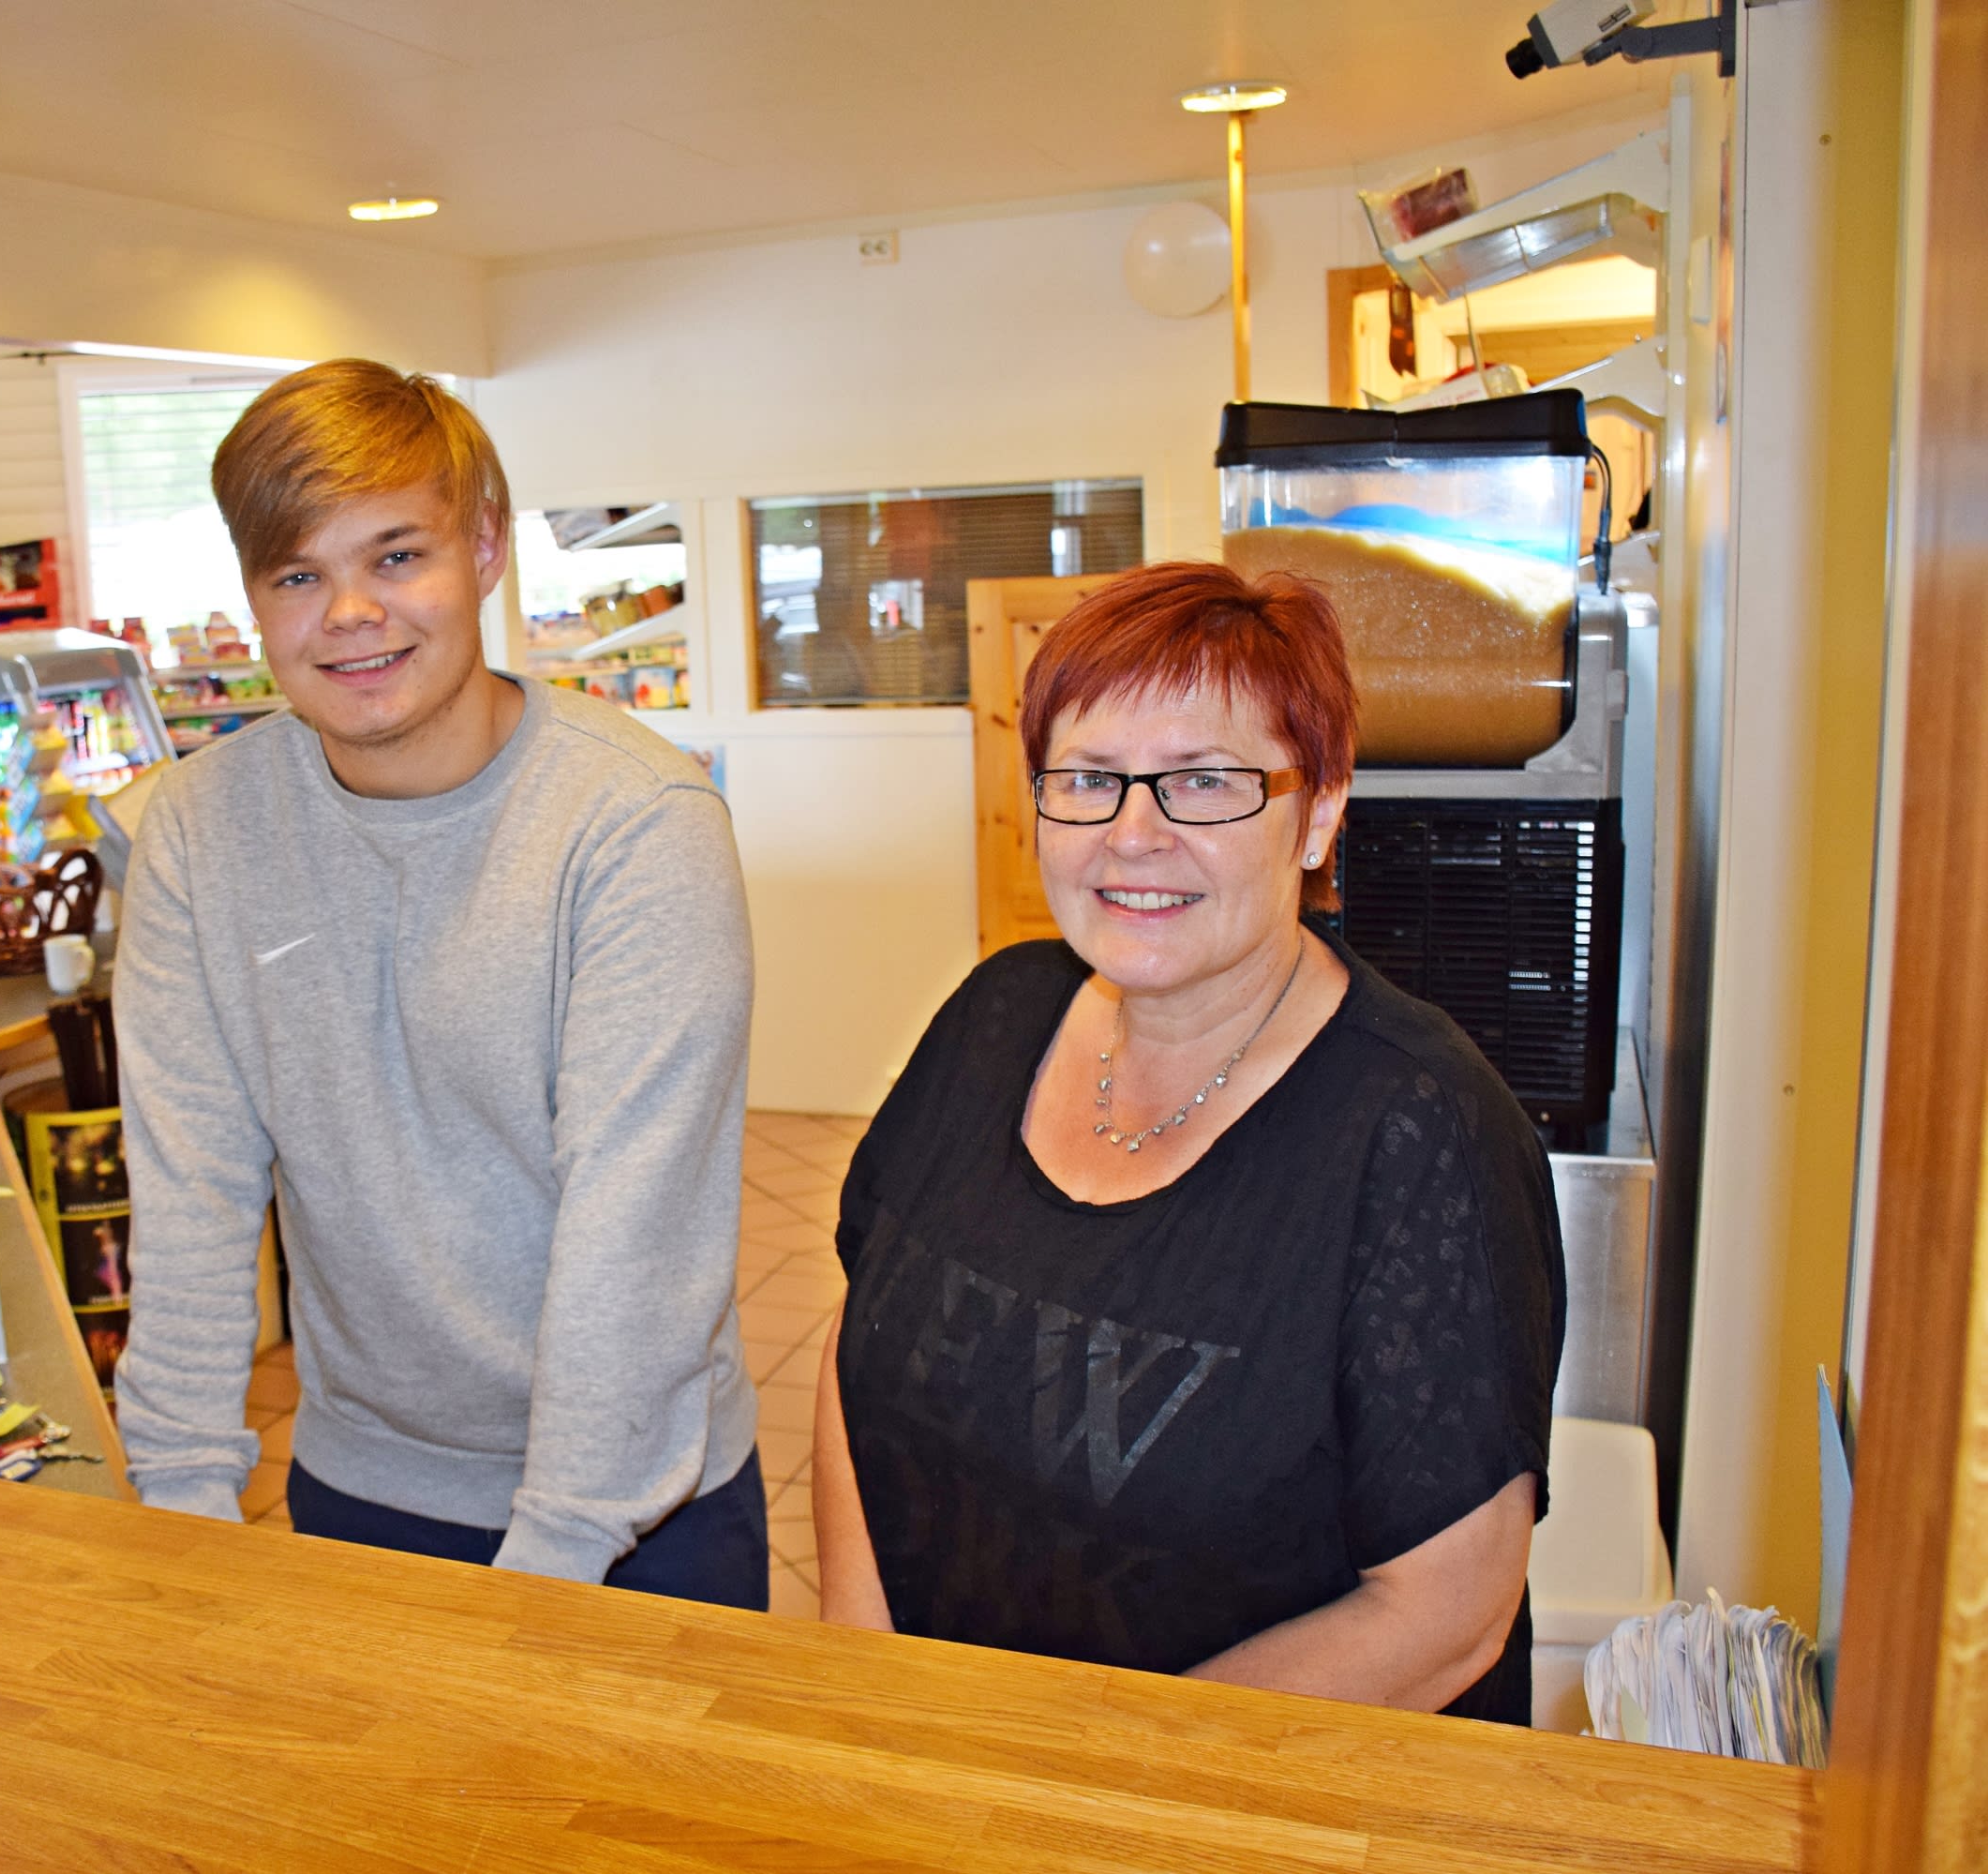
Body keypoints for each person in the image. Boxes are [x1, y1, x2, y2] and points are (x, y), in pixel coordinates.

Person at [811, 560, 1562, 1721]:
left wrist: (1093, 1777)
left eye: (1204, 782)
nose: (1133, 834)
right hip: (942, 1753)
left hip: (1238, 1790)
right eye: (1089, 778)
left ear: (1317, 812)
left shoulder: (1423, 1135)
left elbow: (1443, 1614)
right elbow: (856, 1342)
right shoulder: (991, 1015)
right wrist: (868, 1677)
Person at [112, 358, 766, 1605]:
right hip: (360, 1485)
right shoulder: (198, 828)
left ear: (484, 547)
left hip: (638, 1513)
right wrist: (180, 1501)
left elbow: (636, 1230)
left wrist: (552, 1558)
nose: (349, 612)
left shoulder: (635, 824)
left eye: (396, 555)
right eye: (297, 575)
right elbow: (190, 1183)